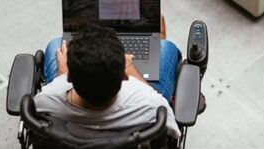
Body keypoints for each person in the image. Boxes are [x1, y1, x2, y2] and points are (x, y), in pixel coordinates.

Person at [34, 23, 181, 138]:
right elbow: (173, 134)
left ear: (69, 78)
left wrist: (62, 71)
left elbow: (54, 90)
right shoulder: (152, 106)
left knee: (56, 44)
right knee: (167, 47)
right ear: (125, 77)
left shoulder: (44, 102)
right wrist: (129, 66)